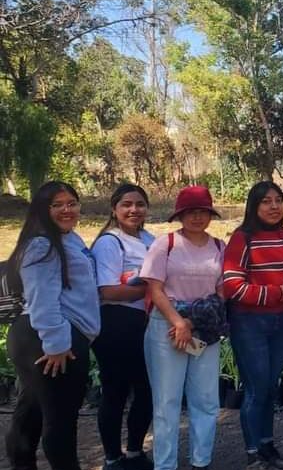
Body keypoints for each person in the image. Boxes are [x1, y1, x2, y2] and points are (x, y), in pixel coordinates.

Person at [4, 181, 100, 470]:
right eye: (57, 204)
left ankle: (22, 464)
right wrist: (58, 344)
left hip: (47, 334)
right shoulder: (42, 244)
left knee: (31, 410)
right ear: (42, 210)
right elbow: (42, 298)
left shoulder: (68, 238)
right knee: (60, 419)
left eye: (71, 203)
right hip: (51, 336)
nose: (66, 209)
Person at [142, 185, 226, 470]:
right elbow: (155, 289)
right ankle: (165, 465)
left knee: (206, 399)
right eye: (190, 212)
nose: (197, 218)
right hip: (166, 325)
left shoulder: (218, 247)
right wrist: (178, 322)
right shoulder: (164, 245)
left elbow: (221, 291)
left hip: (202, 327)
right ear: (180, 215)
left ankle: (201, 461)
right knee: (167, 401)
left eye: (203, 212)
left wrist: (192, 321)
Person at [222, 182, 283, 469]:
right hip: (249, 322)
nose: (273, 206)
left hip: (280, 321)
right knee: (256, 388)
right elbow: (231, 285)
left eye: (278, 200)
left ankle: (267, 444)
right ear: (254, 206)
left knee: (270, 385)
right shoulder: (243, 238)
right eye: (266, 201)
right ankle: (253, 451)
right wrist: (272, 294)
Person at [90, 184, 155, 470]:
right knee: (116, 390)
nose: (134, 210)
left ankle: (135, 452)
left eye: (140, 204)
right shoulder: (109, 243)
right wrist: (153, 289)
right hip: (116, 325)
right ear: (114, 210)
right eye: (126, 204)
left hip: (146, 323)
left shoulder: (151, 240)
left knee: (147, 390)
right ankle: (112, 457)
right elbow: (108, 291)